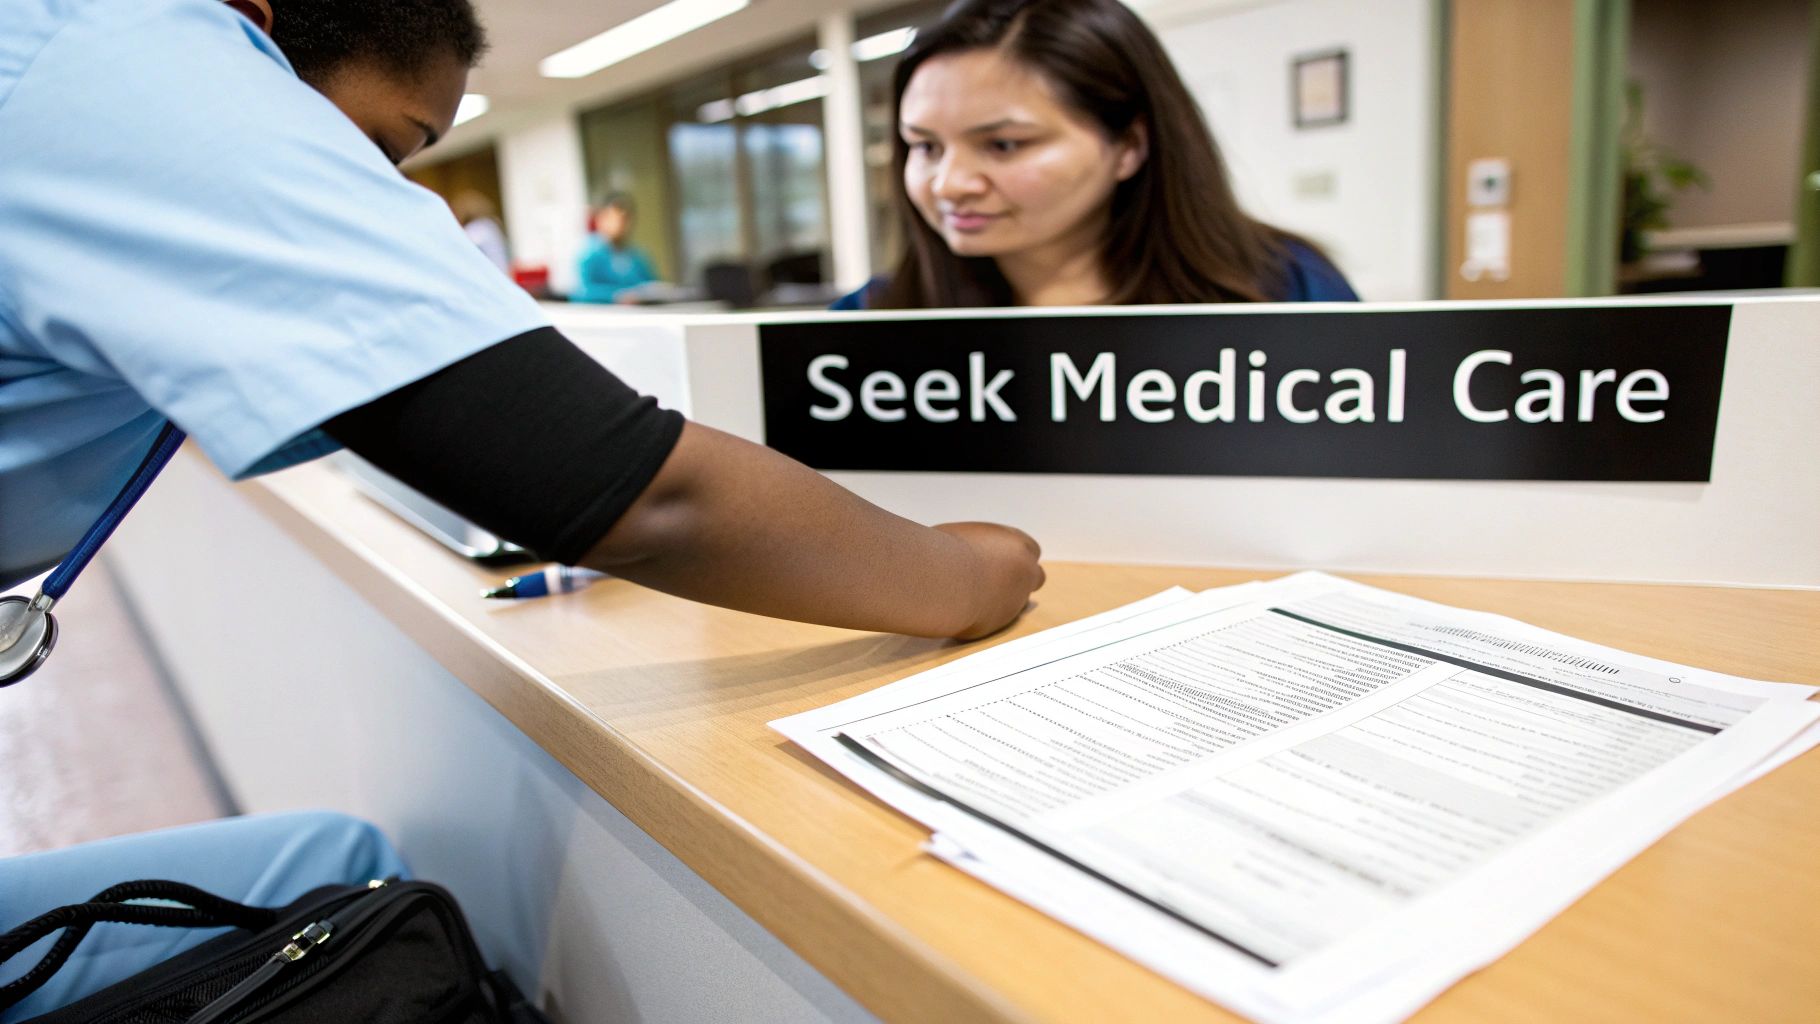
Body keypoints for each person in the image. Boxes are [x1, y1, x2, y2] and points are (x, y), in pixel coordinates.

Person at [0, 0, 1042, 1015]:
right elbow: (632, 491)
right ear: (252, 31)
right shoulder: (125, 49)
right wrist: (964, 576)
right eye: (382, 146)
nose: (376, 194)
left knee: (343, 870)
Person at [832, 0, 1358, 310]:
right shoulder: (870, 319)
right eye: (926, 146)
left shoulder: (1289, 292)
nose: (948, 184)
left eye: (1003, 145)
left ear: (1128, 145)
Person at [574, 193, 660, 303]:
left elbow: (650, 284)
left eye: (625, 218)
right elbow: (581, 292)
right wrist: (616, 296)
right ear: (601, 218)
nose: (620, 224)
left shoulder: (638, 255)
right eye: (615, 218)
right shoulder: (588, 254)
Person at [452, 190, 511, 274]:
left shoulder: (477, 229)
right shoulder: (491, 226)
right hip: (502, 274)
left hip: (490, 275)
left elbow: (461, 247)